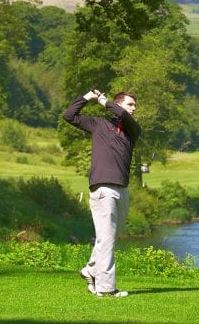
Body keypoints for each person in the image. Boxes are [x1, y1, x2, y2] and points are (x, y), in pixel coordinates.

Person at [63, 89, 140, 298]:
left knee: (110, 239)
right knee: (106, 239)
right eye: (130, 104)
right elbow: (69, 116)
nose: (134, 109)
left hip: (122, 189)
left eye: (135, 105)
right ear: (119, 104)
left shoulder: (133, 129)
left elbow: (122, 115)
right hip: (103, 187)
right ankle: (106, 288)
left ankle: (90, 270)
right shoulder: (99, 124)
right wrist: (88, 97)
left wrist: (104, 101)